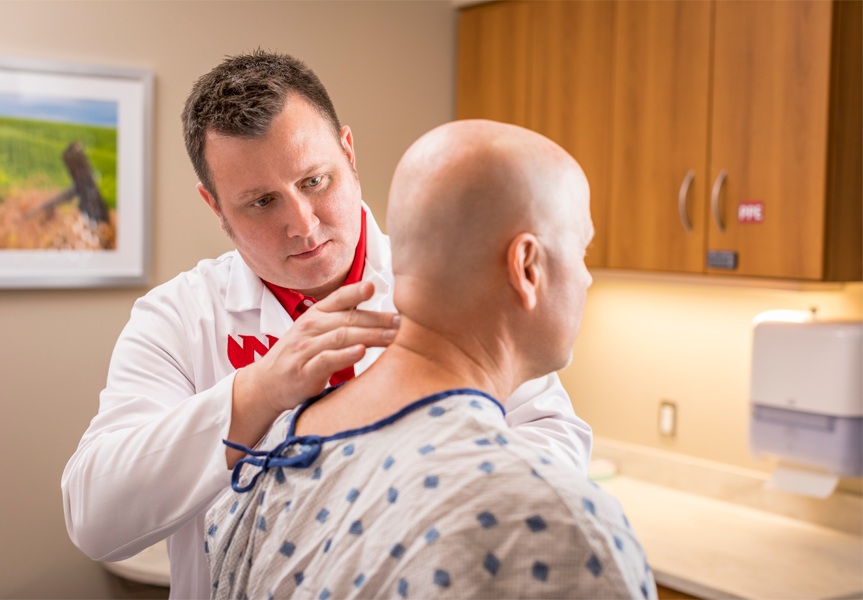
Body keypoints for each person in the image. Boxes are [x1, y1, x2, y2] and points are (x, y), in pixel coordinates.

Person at [61, 51, 593, 600]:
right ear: (215, 207)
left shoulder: (451, 276)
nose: (303, 224)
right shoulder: (178, 319)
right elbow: (96, 517)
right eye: (262, 202)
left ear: (349, 152)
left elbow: (553, 447)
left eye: (315, 181)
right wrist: (257, 393)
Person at [205, 119, 654, 599]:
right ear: (527, 267)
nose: (586, 280)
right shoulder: (568, 527)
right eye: (581, 251)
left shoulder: (273, 454)